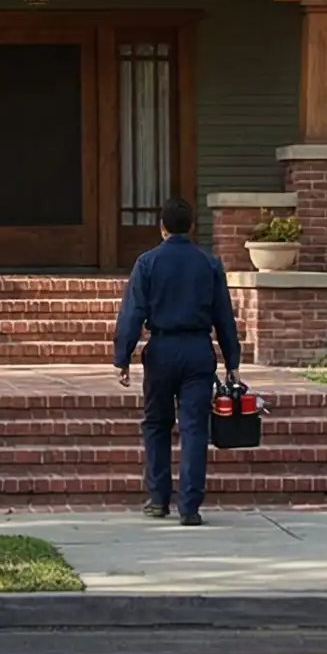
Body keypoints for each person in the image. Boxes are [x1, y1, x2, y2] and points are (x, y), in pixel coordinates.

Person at [111, 196, 241, 525]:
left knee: (156, 424)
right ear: (192, 227)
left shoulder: (147, 262)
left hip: (162, 350)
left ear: (162, 227)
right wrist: (232, 361)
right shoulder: (209, 263)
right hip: (199, 350)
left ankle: (158, 500)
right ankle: (190, 506)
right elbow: (224, 316)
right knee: (194, 428)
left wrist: (122, 356)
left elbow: (133, 312)